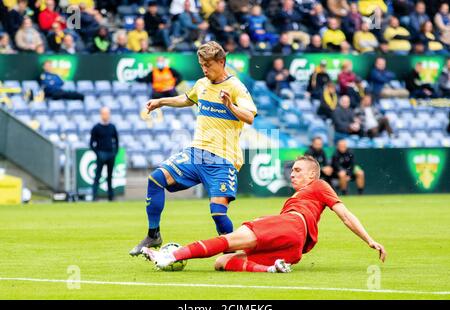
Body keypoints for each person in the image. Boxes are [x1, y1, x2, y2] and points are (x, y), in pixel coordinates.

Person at [142, 156, 386, 272]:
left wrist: (369, 239)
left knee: (228, 241)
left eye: (298, 170)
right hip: (293, 249)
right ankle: (271, 269)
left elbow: (345, 214)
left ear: (312, 175)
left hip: (292, 227)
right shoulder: (298, 199)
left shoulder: (319, 186)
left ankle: (170, 256)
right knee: (222, 262)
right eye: (292, 170)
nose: (292, 174)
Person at [129, 41, 257, 256]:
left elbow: (250, 116)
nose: (205, 69)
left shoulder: (235, 87)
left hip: (222, 159)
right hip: (196, 153)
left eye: (209, 65)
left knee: (217, 212)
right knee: (156, 179)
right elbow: (186, 99)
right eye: (202, 65)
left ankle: (233, 254)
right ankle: (153, 235)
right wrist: (161, 102)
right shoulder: (202, 84)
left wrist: (230, 106)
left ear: (221, 62)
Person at [90, 107, 119, 202]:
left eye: (107, 113)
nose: (106, 115)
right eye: (104, 113)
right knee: (98, 175)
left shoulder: (112, 127)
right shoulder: (96, 127)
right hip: (101, 154)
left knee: (110, 176)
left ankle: (111, 197)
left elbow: (116, 140)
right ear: (101, 114)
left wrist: (115, 152)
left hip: (111, 154)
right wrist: (98, 153)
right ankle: (94, 196)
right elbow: (91, 143)